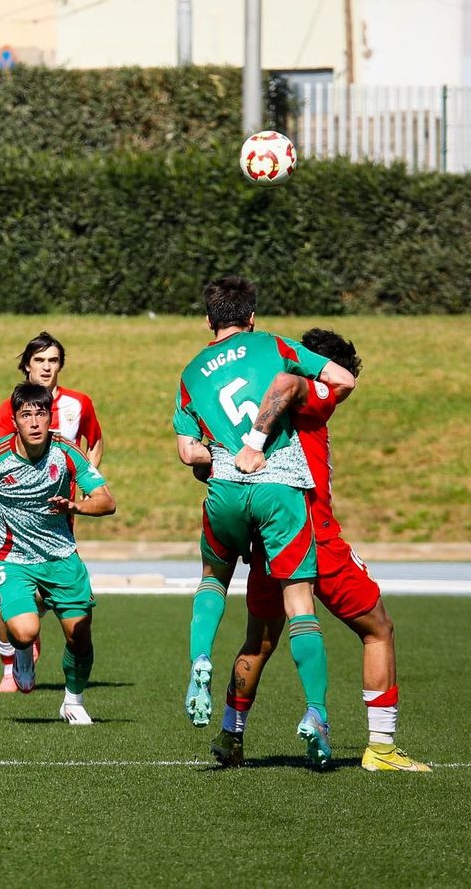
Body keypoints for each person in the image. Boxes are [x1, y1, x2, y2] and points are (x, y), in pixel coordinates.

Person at [213, 328, 430, 772]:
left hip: (269, 538)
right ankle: (382, 749)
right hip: (312, 536)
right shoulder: (310, 391)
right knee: (378, 628)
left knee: (260, 639)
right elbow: (297, 386)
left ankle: (231, 736)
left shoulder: (253, 401)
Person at [172, 276, 355, 767]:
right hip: (279, 488)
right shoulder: (273, 344)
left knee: (212, 580)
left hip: (226, 489)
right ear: (251, 316)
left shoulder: (190, 373)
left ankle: (201, 661)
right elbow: (343, 379)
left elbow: (189, 450)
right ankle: (315, 712)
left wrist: (209, 457)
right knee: (300, 606)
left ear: (209, 321)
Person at [0, 382, 115, 724]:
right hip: (10, 556)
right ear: (14, 420)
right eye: (26, 415)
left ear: (50, 418)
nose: (34, 422)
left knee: (79, 636)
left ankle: (72, 701)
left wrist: (76, 505)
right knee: (26, 631)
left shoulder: (66, 451)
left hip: (60, 556)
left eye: (40, 415)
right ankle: (22, 655)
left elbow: (107, 501)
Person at [0, 332, 104, 691]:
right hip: (14, 523)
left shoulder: (79, 403)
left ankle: (30, 644)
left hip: (60, 518)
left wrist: (87, 476)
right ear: (26, 366)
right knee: (16, 592)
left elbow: (95, 439)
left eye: (53, 360)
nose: (46, 367)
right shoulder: (12, 408)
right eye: (39, 360)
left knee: (47, 593)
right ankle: (13, 661)